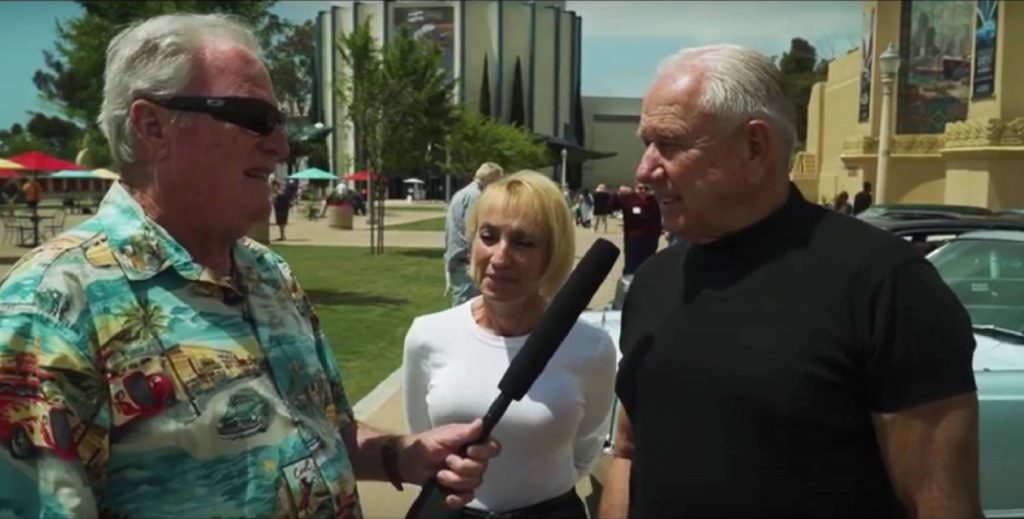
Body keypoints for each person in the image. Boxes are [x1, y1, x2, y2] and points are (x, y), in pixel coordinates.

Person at [0, 14, 499, 518]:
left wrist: (400, 454)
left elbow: (325, 430)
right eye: (255, 118)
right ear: (153, 126)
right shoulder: (51, 310)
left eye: (280, 123)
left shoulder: (269, 273)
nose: (280, 145)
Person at [598, 44, 981, 519]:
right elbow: (629, 452)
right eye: (646, 143)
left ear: (754, 148)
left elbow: (940, 504)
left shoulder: (887, 286)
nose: (645, 169)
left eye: (670, 144)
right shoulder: (655, 281)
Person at [405, 170, 616, 518]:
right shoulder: (427, 336)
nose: (499, 257)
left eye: (523, 243)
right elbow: (420, 441)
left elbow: (586, 448)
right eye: (488, 236)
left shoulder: (591, 349)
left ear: (552, 254)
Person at [444, 162, 504, 306]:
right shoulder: (476, 197)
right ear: (491, 179)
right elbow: (473, 231)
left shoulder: (461, 193)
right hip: (465, 261)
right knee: (467, 307)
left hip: (455, 257)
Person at [610, 183, 661, 275]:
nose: (643, 191)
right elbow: (611, 206)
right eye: (640, 188)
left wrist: (657, 234)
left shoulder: (654, 201)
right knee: (631, 263)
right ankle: (629, 281)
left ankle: (645, 280)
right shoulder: (627, 199)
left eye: (646, 188)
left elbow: (658, 218)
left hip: (650, 238)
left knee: (648, 263)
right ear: (635, 188)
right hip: (633, 237)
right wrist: (617, 194)